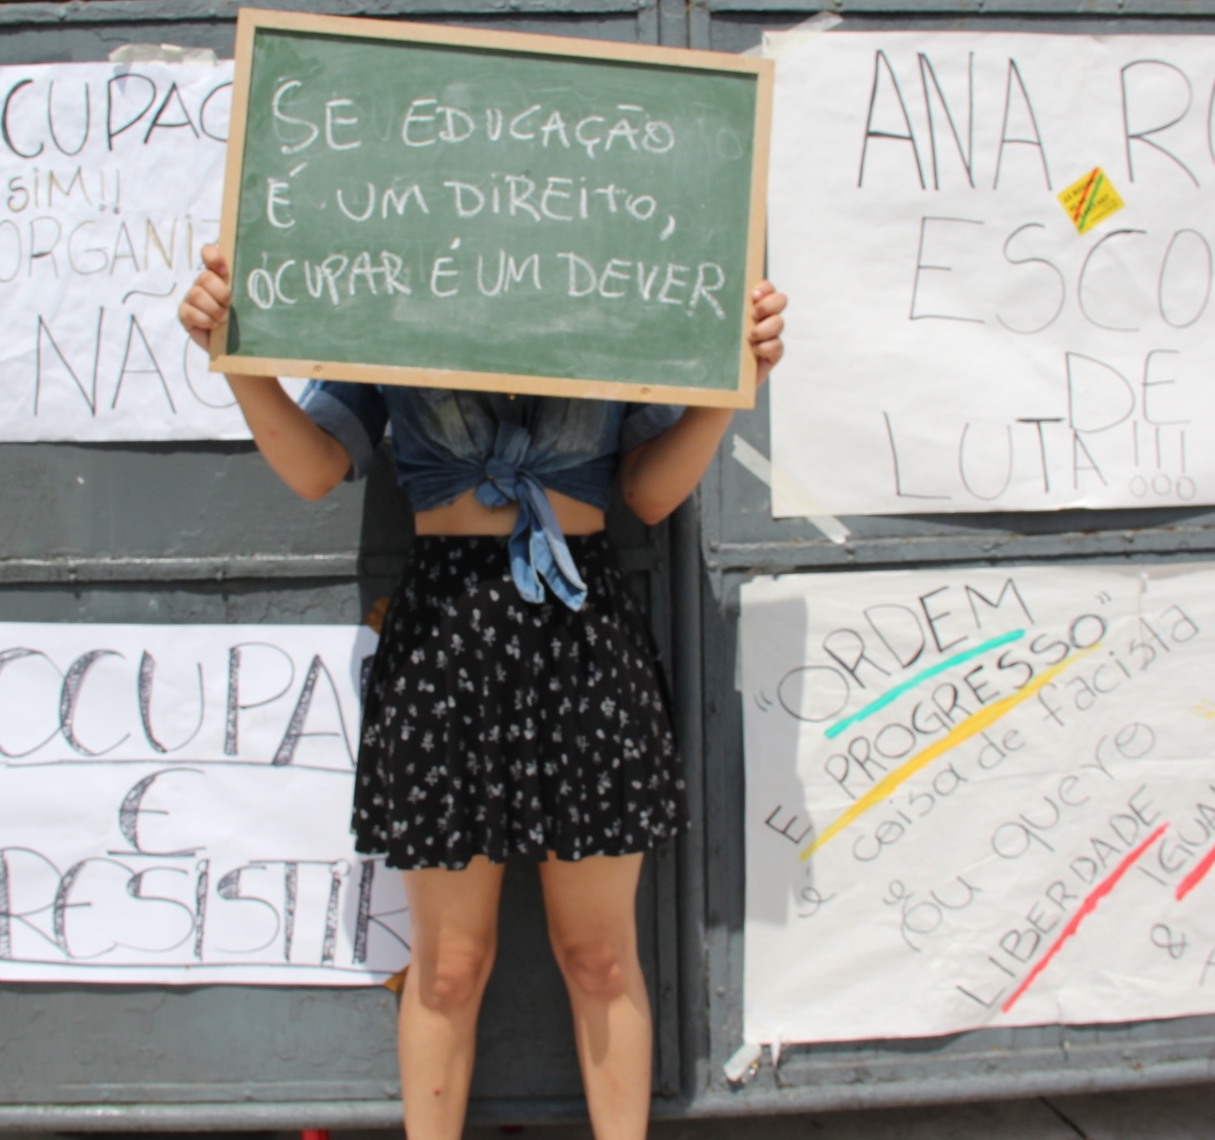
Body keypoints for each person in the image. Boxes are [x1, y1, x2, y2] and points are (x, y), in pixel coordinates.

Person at [179, 245, 787, 1140]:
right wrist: (235, 359)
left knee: (600, 959)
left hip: (580, 628)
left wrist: (736, 381)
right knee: (450, 967)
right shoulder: (391, 278)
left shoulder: (619, 279)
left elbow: (650, 494)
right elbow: (315, 466)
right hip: (445, 642)